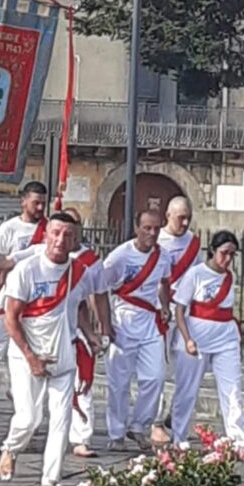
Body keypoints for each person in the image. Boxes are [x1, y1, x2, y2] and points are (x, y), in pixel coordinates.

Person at [0, 213, 101, 486]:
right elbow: (11, 317)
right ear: (46, 235)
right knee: (29, 418)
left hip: (63, 351)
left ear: (75, 239)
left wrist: (90, 334)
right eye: (55, 232)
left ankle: (50, 480)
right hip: (26, 353)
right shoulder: (26, 270)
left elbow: (78, 306)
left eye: (67, 235)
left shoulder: (80, 272)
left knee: (62, 419)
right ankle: (11, 447)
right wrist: (31, 357)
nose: (60, 240)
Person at [103, 210, 170, 453]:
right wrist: (105, 323)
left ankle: (139, 426)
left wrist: (164, 306)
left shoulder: (163, 256)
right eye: (147, 228)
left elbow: (164, 282)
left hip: (150, 323)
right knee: (119, 382)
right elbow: (102, 287)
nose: (152, 233)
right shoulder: (119, 256)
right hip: (123, 320)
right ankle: (117, 433)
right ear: (136, 228)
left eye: (156, 229)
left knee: (155, 376)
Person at [174, 230, 244, 446]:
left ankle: (238, 438)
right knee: (187, 390)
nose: (228, 259)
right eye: (224, 253)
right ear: (213, 250)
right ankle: (179, 437)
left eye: (232, 255)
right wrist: (187, 338)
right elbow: (180, 309)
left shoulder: (229, 277)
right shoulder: (196, 274)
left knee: (232, 387)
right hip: (197, 336)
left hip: (225, 337)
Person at [151, 196, 202, 446]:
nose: (184, 222)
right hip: (161, 309)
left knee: (188, 365)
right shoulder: (156, 240)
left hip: (186, 312)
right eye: (180, 217)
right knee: (159, 368)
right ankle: (155, 422)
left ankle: (176, 416)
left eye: (187, 218)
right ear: (168, 216)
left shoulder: (193, 243)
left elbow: (199, 275)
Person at [0, 181, 48, 393]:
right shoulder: (8, 229)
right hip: (9, 296)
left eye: (43, 203)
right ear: (23, 201)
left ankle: (19, 392)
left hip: (35, 300)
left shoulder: (49, 229)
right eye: (35, 203)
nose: (40, 208)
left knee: (27, 347)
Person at [65, 208, 113, 459]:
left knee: (82, 383)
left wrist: (101, 329)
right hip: (42, 330)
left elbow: (94, 297)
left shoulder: (90, 262)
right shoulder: (40, 255)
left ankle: (81, 437)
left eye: (73, 227)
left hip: (74, 328)